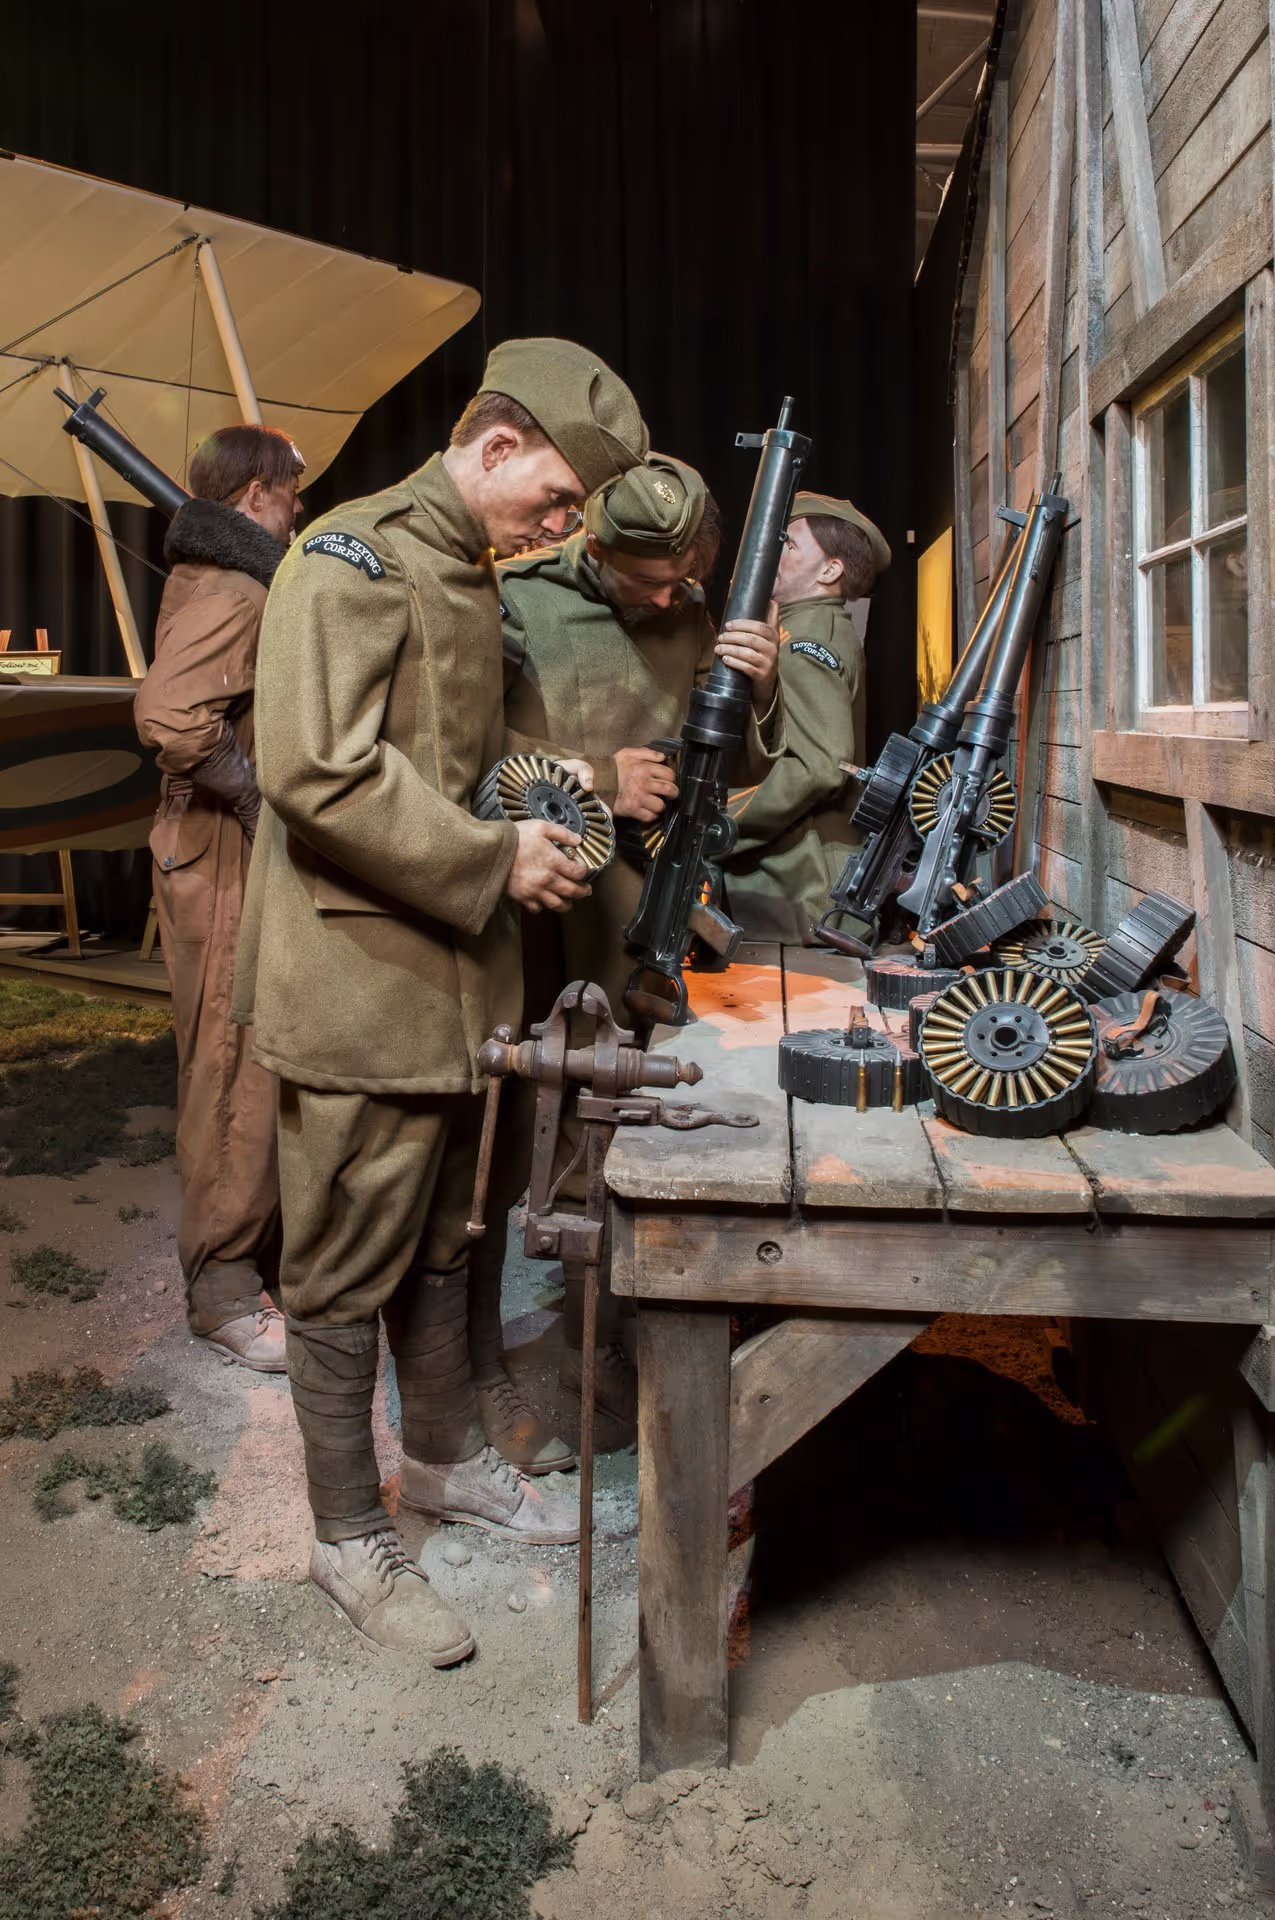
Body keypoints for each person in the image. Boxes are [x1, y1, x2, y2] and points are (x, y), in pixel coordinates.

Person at [233, 338, 649, 1662]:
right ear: (501, 441)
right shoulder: (346, 558)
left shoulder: (473, 576)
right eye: (560, 496)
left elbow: (492, 752)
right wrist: (490, 857)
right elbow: (315, 770)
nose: (562, 523)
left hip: (463, 979)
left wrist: (573, 809)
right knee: (348, 1260)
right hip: (360, 979)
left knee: (451, 1233)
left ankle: (447, 1459)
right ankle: (347, 1535)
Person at [482, 452, 782, 1449]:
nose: (664, 594)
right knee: (524, 1108)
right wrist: (598, 777)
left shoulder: (690, 609)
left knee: (616, 1104)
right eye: (642, 577)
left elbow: (728, 756)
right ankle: (531, 1340)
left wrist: (755, 685)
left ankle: (602, 1332)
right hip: (532, 888)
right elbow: (475, 749)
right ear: (590, 543)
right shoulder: (517, 596)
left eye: (679, 575)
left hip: (642, 901)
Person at [134, 425, 305, 1370]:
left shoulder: (229, 576)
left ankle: (253, 1261)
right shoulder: (235, 584)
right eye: (288, 492)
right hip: (220, 854)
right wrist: (250, 796)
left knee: (251, 1056)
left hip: (222, 848)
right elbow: (169, 715)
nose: (298, 508)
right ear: (252, 500)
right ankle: (225, 1290)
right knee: (234, 1064)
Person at [718, 490, 890, 944]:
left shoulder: (807, 638)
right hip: (797, 883)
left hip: (799, 887)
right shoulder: (802, 625)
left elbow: (822, 766)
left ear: (830, 570)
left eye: (789, 544)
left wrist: (720, 816)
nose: (772, 551)